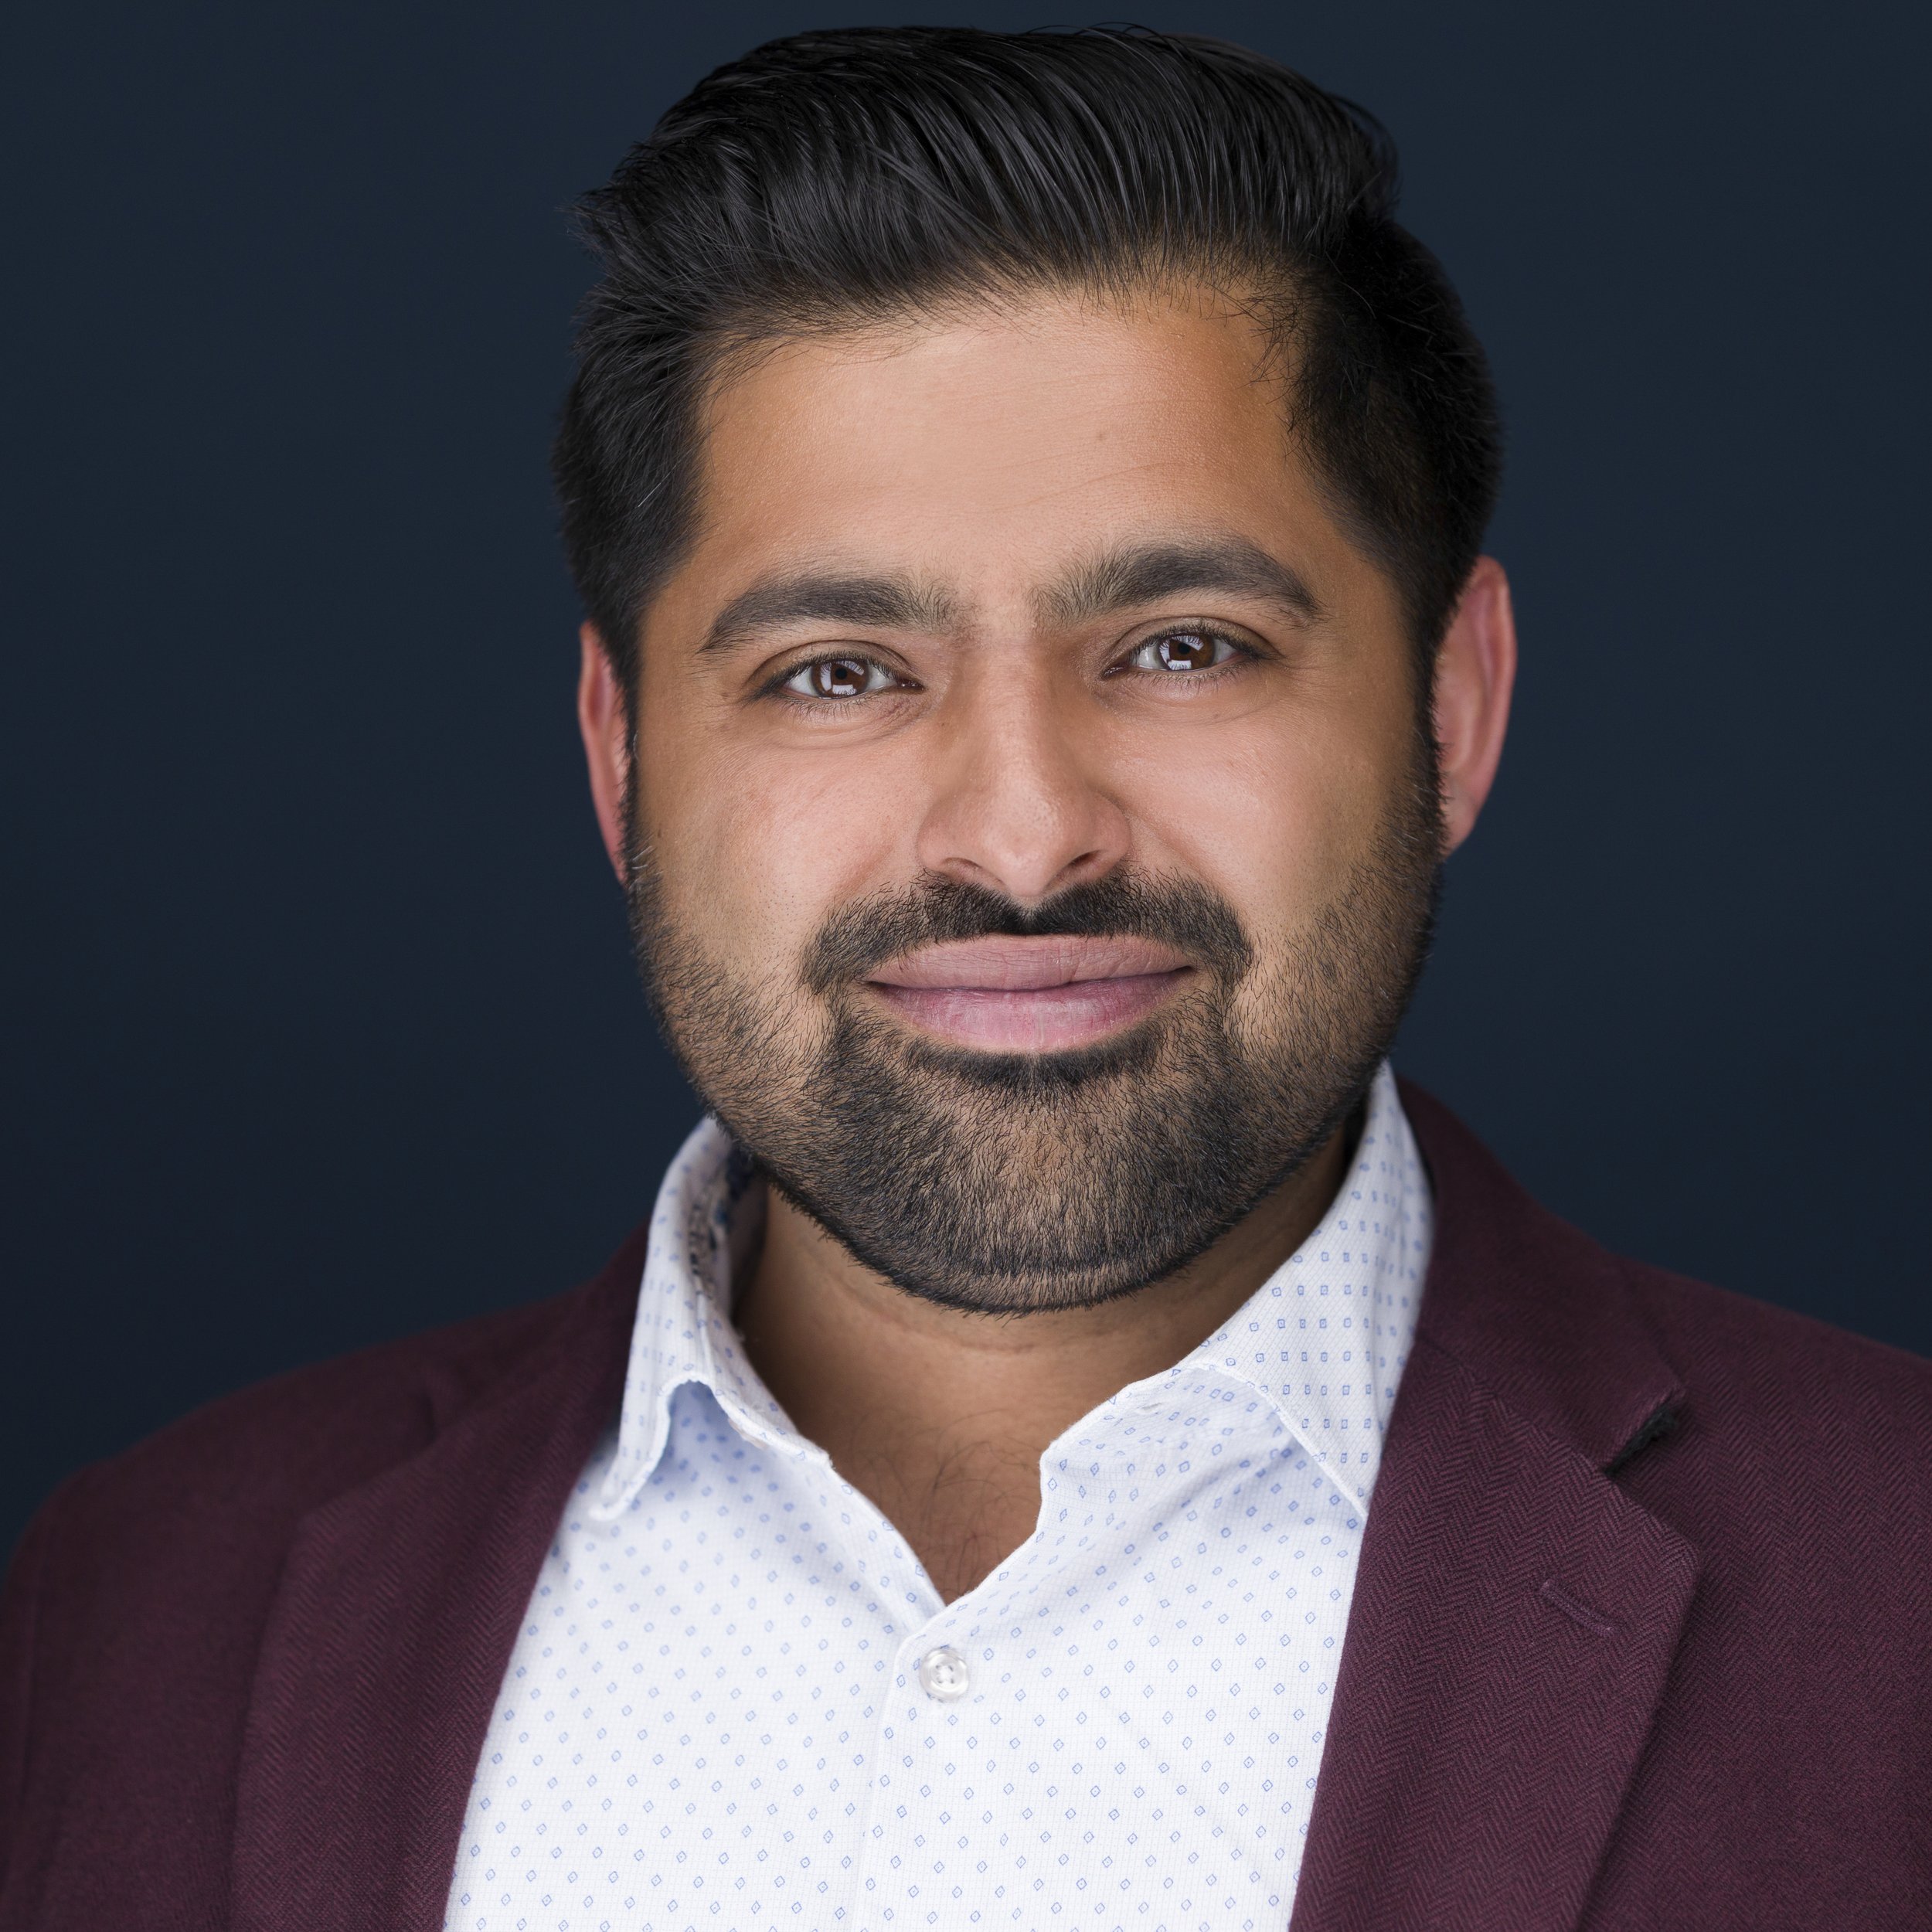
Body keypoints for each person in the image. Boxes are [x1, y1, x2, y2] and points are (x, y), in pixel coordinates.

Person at [2, 25, 1927, 1931]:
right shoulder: (131, 1610)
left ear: (1451, 705)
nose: (1018, 842)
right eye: (836, 670)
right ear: (619, 754)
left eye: (1181, 646)